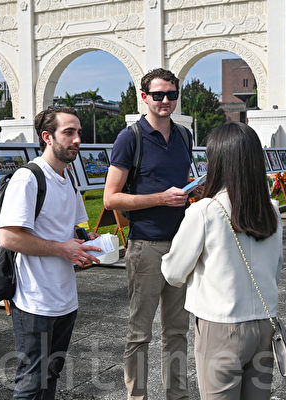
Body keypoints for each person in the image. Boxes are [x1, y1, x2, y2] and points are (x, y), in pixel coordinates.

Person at [161, 122, 283, 400]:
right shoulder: (272, 210)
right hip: (265, 321)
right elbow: (276, 268)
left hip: (221, 326)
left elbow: (173, 272)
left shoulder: (205, 211)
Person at [0, 106, 101, 399]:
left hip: (65, 298)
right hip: (35, 300)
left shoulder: (68, 179)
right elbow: (7, 237)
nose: (77, 139)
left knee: (51, 376)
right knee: (31, 382)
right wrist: (62, 249)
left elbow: (70, 231)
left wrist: (85, 241)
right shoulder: (28, 178)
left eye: (79, 132)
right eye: (69, 132)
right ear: (47, 137)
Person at [104, 68, 194, 400]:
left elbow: (182, 181)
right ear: (145, 97)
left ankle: (177, 395)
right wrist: (160, 198)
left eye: (172, 94)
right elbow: (110, 197)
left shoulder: (184, 135)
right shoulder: (131, 138)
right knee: (139, 332)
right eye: (158, 95)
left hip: (182, 244)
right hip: (146, 245)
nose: (166, 101)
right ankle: (136, 396)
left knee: (178, 331)